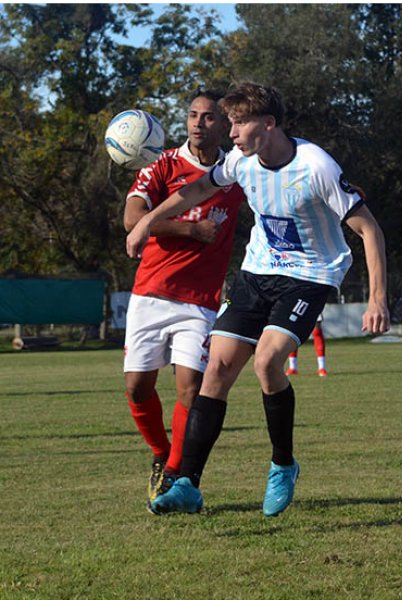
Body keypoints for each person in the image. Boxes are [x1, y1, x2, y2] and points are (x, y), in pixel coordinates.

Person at [126, 81, 389, 516]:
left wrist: (377, 298)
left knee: (267, 362)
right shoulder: (241, 162)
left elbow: (369, 229)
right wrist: (146, 222)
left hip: (309, 276)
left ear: (267, 125)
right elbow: (195, 190)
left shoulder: (316, 166)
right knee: (218, 369)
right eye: (228, 122)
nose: (230, 133)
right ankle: (188, 482)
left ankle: (283, 464)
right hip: (258, 272)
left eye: (238, 123)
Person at [122, 90, 246, 512]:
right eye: (193, 115)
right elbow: (132, 219)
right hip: (150, 291)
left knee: (190, 389)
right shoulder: (161, 165)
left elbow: (280, 181)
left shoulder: (237, 169)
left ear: (222, 123)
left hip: (200, 301)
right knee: (137, 387)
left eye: (208, 117)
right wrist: (189, 231)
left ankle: (175, 471)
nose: (198, 124)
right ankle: (160, 452)